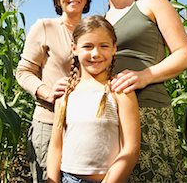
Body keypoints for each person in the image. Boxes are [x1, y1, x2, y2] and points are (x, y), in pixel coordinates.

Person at [89, 0, 187, 182]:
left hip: (149, 109)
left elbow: (185, 54)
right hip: (111, 115)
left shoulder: (150, 1)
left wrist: (144, 75)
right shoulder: (101, 20)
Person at [16, 0, 92, 182]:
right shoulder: (45, 27)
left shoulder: (94, 30)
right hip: (49, 123)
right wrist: (47, 92)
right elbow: (23, 71)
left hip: (85, 126)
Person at [47, 15, 140, 182]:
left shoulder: (119, 92)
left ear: (114, 48)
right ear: (74, 49)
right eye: (88, 46)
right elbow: (55, 147)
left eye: (104, 46)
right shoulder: (66, 95)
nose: (96, 53)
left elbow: (131, 149)